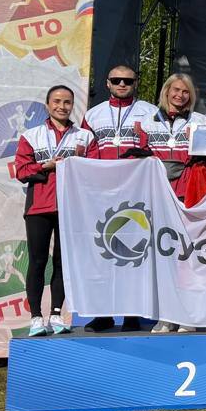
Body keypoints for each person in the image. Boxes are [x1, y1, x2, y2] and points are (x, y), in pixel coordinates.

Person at [13, 85, 97, 336]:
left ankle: (57, 313)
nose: (62, 106)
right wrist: (45, 166)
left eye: (67, 102)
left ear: (73, 106)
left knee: (63, 262)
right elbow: (21, 171)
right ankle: (36, 317)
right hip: (39, 206)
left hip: (71, 207)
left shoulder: (85, 137)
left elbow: (94, 170)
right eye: (57, 101)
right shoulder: (32, 136)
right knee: (38, 261)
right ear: (47, 105)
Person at [82, 64, 157, 333]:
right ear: (107, 83)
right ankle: (103, 314)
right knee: (101, 254)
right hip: (102, 193)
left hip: (137, 192)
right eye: (116, 80)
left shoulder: (150, 112)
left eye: (127, 80)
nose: (122, 84)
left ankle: (131, 314)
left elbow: (154, 147)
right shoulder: (93, 114)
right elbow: (87, 151)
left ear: (136, 83)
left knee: (134, 253)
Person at [141, 73, 198, 335]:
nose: (180, 95)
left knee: (186, 256)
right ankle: (165, 316)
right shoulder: (147, 122)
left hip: (188, 194)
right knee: (163, 256)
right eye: (175, 90)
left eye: (185, 91)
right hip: (157, 195)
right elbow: (139, 157)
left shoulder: (200, 121)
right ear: (166, 92)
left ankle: (187, 315)